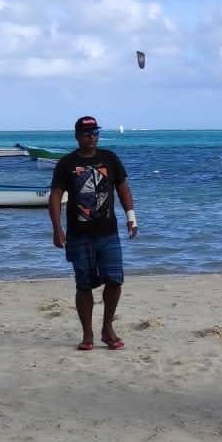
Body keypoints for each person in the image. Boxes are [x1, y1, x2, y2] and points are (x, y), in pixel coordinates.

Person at [49, 116, 138, 352]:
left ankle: (107, 328)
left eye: (95, 133)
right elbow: (56, 196)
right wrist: (57, 228)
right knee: (84, 285)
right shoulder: (67, 163)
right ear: (77, 136)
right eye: (87, 133)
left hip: (108, 233)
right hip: (79, 235)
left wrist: (131, 218)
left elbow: (123, 188)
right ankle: (87, 333)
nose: (92, 137)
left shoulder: (109, 158)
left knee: (115, 280)